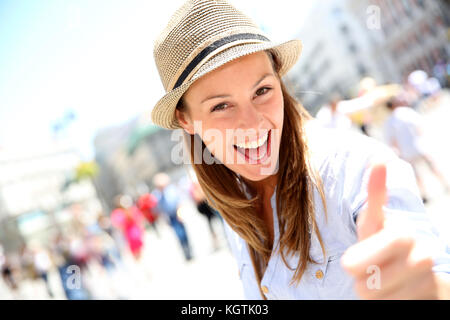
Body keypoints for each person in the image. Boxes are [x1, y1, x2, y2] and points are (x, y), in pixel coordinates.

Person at [150, 0, 450, 299]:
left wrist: (423, 289)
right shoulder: (235, 205)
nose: (253, 124)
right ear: (185, 119)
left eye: (262, 90)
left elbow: (429, 272)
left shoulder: (354, 169)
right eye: (221, 106)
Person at [384, 93, 450, 202]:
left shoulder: (389, 121)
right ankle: (445, 183)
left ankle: (424, 193)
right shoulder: (407, 112)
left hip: (406, 151)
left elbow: (392, 140)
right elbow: (420, 127)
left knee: (415, 173)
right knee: (431, 165)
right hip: (419, 145)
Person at [152, 173, 193, 261]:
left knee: (183, 232)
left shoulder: (171, 189)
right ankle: (185, 251)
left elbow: (179, 200)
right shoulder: (156, 194)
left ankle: (189, 249)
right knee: (178, 234)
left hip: (177, 213)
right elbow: (157, 208)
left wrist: (179, 212)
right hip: (169, 216)